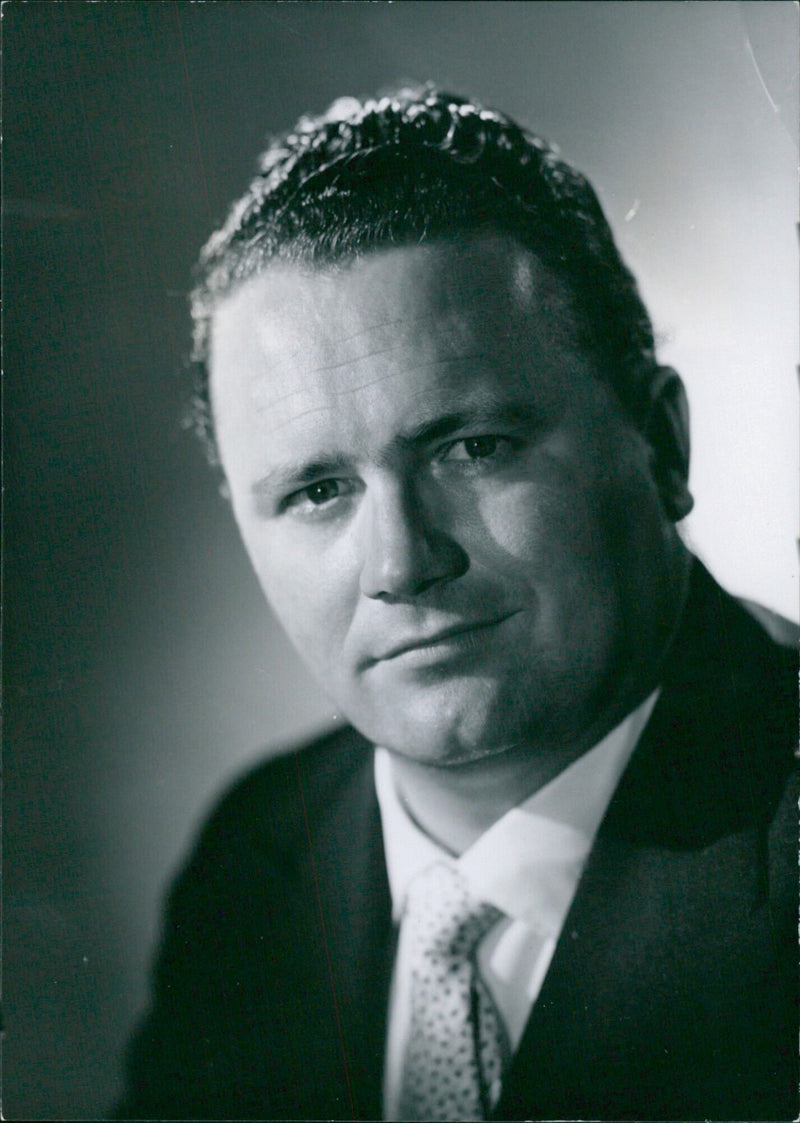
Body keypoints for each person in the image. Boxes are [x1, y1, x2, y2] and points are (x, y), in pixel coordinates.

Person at [116, 86, 797, 1121]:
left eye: (470, 447)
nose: (400, 561)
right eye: (316, 490)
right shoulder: (255, 866)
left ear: (659, 445)